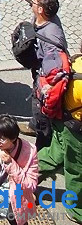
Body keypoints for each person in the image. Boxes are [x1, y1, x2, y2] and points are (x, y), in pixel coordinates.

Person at [8, 0, 67, 150]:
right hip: (39, 70)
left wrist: (44, 87)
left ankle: (42, 153)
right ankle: (34, 125)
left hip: (45, 80)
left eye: (33, 1)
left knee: (41, 114)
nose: (31, 0)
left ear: (40, 9)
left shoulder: (52, 39)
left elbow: (55, 71)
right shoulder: (47, 16)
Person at [38, 38, 82, 225]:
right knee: (76, 169)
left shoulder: (77, 61)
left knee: (54, 154)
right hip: (74, 130)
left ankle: (24, 174)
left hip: (61, 119)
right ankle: (75, 208)